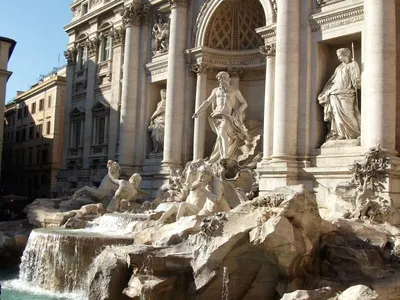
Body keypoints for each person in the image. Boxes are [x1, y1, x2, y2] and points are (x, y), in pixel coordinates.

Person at [192, 71, 249, 163]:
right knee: (220, 135)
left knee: (222, 133)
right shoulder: (216, 91)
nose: (221, 81)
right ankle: (223, 157)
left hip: (227, 116)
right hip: (216, 116)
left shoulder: (235, 91)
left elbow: (244, 103)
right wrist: (198, 111)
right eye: (220, 79)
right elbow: (207, 102)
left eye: (223, 78)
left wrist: (238, 111)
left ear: (229, 79)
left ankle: (224, 156)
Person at [318, 47, 361, 141]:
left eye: (339, 56)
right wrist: (327, 91)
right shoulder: (339, 67)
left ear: (345, 55)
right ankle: (339, 133)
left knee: (348, 113)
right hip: (335, 93)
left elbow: (356, 78)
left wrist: (356, 82)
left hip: (347, 93)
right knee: (336, 114)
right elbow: (333, 80)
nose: (338, 58)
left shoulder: (353, 64)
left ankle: (354, 133)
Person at [148, 89, 166, 153]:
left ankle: (162, 150)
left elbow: (159, 110)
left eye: (164, 93)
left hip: (163, 120)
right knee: (154, 135)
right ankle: (157, 150)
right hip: (157, 121)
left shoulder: (165, 102)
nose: (163, 94)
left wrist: (152, 117)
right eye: (161, 93)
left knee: (162, 136)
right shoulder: (159, 103)